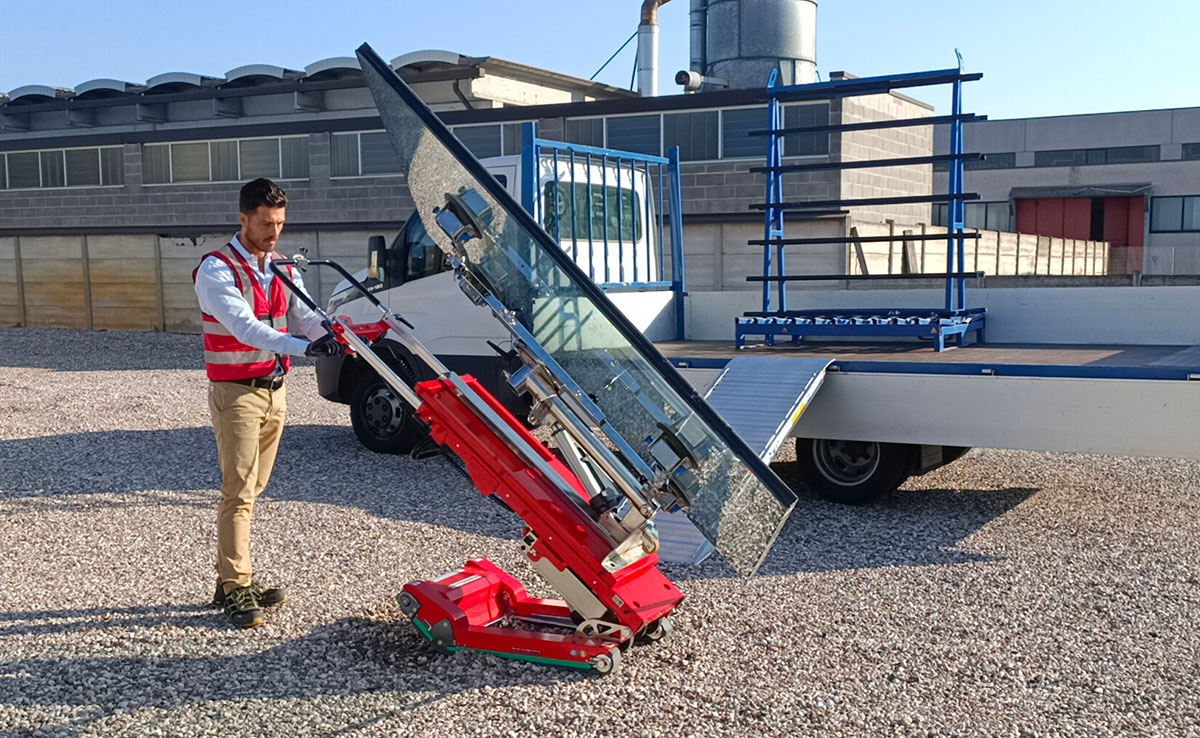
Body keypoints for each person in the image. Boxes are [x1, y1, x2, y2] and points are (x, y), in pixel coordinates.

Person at [193, 178, 343, 628]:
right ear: (243, 219)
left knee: (253, 490)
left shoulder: (281, 267)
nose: (273, 232)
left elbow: (306, 314)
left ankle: (229, 579)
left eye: (279, 223)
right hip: (236, 393)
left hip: (276, 390)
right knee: (238, 492)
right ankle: (238, 585)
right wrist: (305, 347)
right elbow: (245, 329)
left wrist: (331, 335)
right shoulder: (216, 270)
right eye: (264, 223)